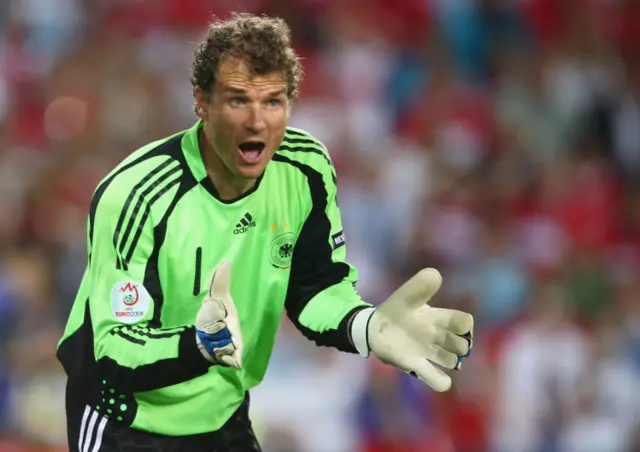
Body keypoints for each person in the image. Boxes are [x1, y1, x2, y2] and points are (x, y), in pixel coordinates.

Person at [57, 13, 474, 452]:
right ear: (202, 102)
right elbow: (112, 349)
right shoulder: (137, 195)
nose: (257, 121)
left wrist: (365, 325)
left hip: (223, 413)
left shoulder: (305, 169)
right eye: (238, 100)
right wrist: (197, 343)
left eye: (273, 102)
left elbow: (315, 289)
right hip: (125, 419)